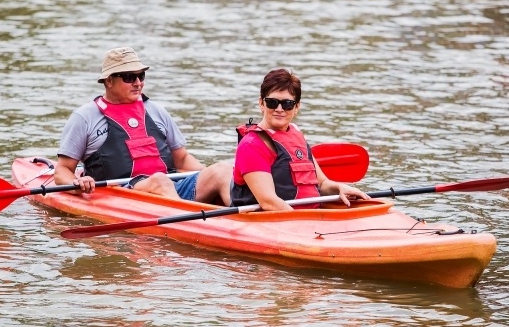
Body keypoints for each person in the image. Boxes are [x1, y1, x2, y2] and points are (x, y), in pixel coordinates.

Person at [54, 47, 232, 204]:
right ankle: (191, 221)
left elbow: (182, 159)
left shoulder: (156, 111)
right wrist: (76, 184)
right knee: (160, 181)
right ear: (109, 81)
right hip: (124, 193)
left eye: (141, 76)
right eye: (129, 77)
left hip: (172, 185)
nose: (138, 83)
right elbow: (62, 170)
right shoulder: (85, 117)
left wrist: (206, 174)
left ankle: (250, 220)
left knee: (222, 170)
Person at [231, 68, 369, 211]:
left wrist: (339, 187)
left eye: (287, 104)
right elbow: (268, 202)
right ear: (261, 104)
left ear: (296, 107)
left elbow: (321, 184)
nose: (279, 109)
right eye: (272, 102)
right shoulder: (251, 144)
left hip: (306, 218)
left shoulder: (297, 136)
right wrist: (304, 223)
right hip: (274, 220)